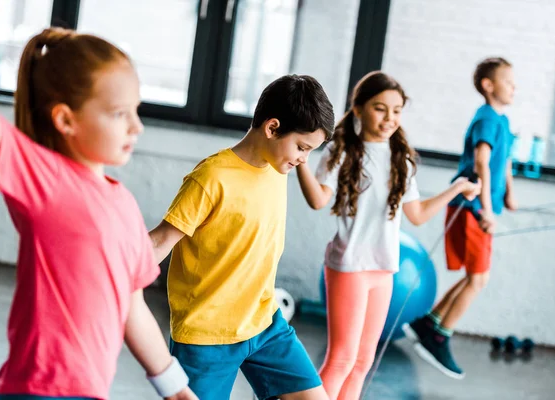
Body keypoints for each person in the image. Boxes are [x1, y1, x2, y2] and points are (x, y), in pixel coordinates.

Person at [0, 1, 195, 399]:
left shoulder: (123, 205)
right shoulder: (42, 178)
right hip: (35, 391)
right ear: (66, 120)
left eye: (135, 111)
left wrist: (176, 390)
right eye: (120, 113)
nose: (136, 126)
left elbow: (131, 305)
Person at [295, 71, 481, 399]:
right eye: (381, 108)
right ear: (359, 108)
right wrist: (300, 162)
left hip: (384, 269)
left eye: (397, 111)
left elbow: (417, 214)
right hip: (349, 267)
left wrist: (456, 189)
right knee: (341, 359)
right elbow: (318, 200)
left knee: (364, 361)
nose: (389, 118)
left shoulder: (401, 159)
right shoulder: (341, 150)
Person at [149, 74, 335, 400]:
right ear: (272, 128)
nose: (304, 159)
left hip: (265, 322)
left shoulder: (276, 166)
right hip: (206, 336)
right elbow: (162, 240)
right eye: (303, 148)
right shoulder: (211, 177)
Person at [404, 57, 517, 379]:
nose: (515, 87)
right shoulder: (486, 119)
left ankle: (430, 323)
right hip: (472, 208)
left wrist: (508, 192)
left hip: (483, 207)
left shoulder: (503, 121)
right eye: (509, 81)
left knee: (474, 277)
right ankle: (439, 334)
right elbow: (482, 162)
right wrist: (487, 210)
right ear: (488, 85)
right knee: (478, 279)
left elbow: (503, 159)